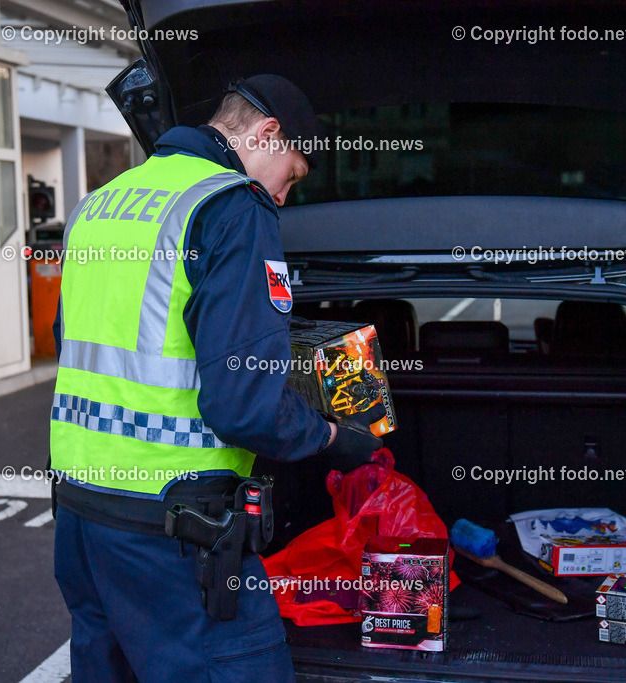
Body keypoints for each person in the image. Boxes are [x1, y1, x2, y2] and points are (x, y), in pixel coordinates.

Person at [49, 74, 383, 681]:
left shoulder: (100, 204)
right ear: (267, 134)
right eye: (294, 176)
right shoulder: (230, 207)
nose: (283, 197)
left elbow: (71, 345)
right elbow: (243, 407)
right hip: (174, 529)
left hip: (80, 515)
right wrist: (337, 438)